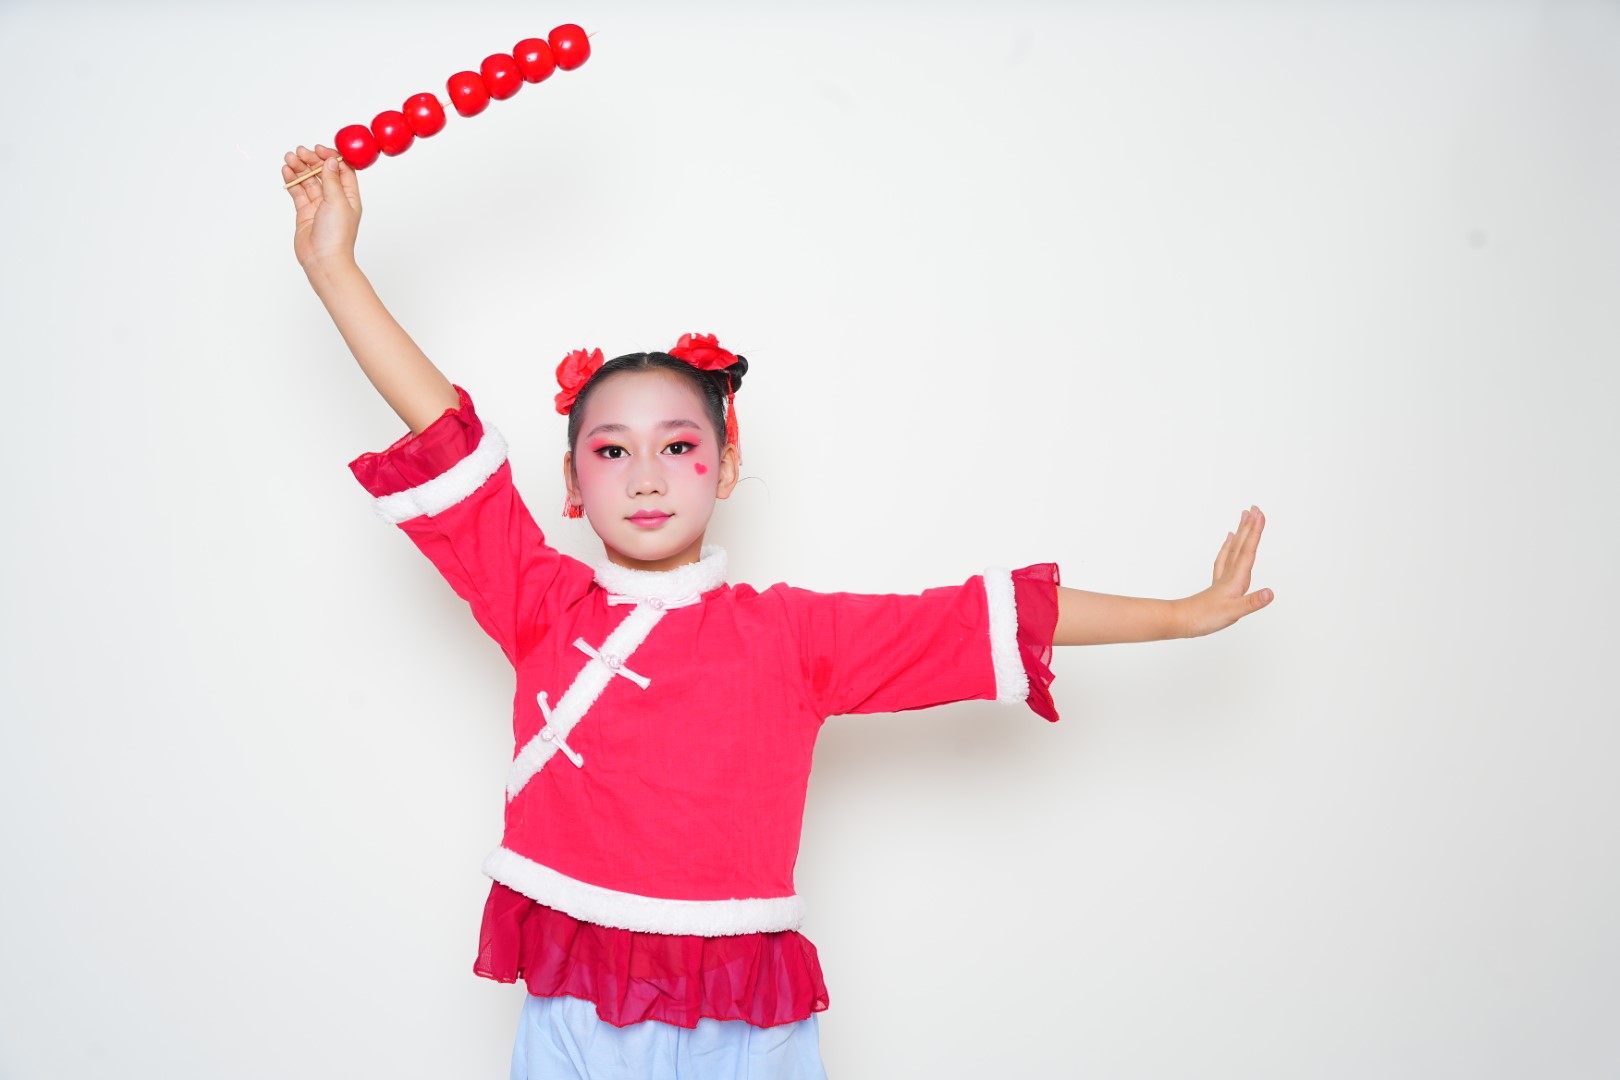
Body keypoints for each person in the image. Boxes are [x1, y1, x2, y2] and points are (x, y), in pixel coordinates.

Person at [283, 142, 1274, 1079]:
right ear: (573, 484)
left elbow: (980, 619)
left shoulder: (791, 636)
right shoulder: (540, 602)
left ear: (727, 466)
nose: (646, 476)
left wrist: (1180, 615)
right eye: (612, 451)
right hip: (576, 1005)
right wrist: (334, 268)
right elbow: (445, 433)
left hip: (745, 1019)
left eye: (678, 446)